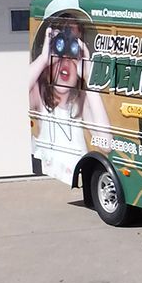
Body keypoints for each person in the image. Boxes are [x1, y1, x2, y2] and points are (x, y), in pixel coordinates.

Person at [28, 11, 109, 184]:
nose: (65, 60)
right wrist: (44, 58)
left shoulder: (81, 103)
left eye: (73, 52)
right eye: (58, 49)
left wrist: (89, 79)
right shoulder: (39, 96)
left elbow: (106, 144)